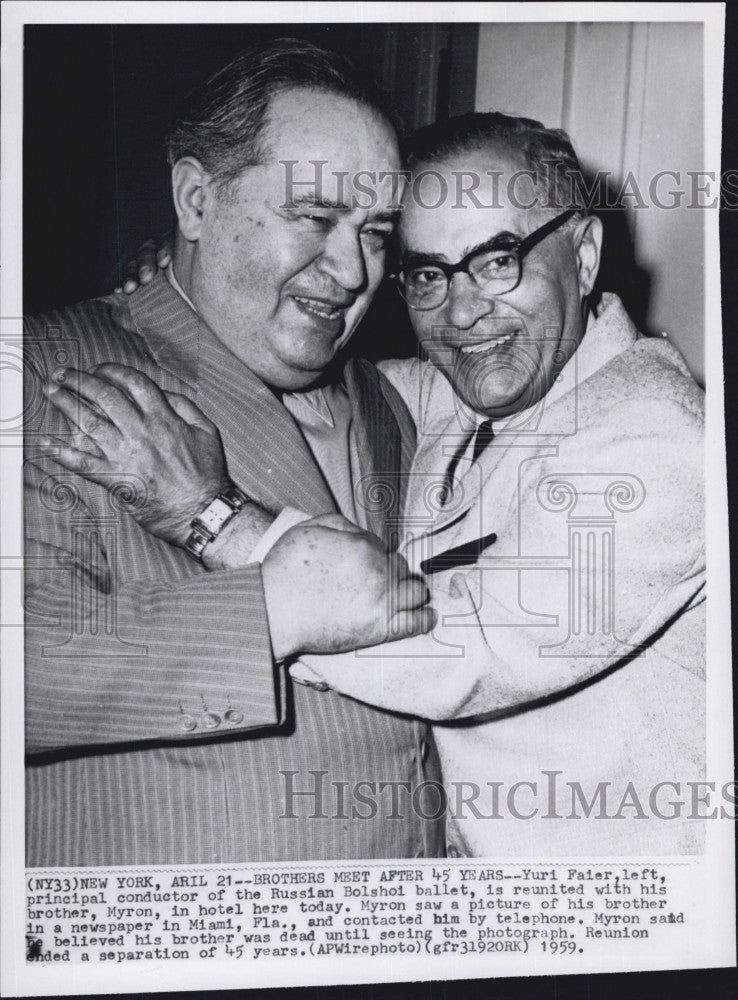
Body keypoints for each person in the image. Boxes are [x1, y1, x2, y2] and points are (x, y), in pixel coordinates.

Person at [68, 111, 706, 857]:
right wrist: (184, 289)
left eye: (500, 260)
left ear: (585, 256)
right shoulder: (480, 388)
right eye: (429, 274)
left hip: (629, 928)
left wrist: (212, 517)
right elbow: (325, 381)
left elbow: (455, 653)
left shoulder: (658, 442)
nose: (464, 312)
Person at [23, 39, 443, 867]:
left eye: (377, 232)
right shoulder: (41, 365)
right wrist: (269, 611)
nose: (352, 269)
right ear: (194, 200)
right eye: (315, 218)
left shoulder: (390, 402)